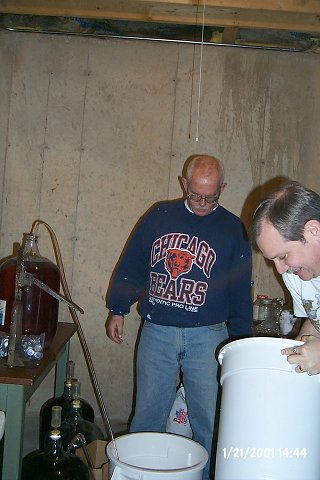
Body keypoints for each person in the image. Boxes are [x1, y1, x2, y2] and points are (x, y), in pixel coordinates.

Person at [106, 154, 252, 480]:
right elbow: (132, 265)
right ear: (183, 183)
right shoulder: (159, 217)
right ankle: (140, 475)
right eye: (195, 194)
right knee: (146, 416)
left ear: (223, 188)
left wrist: (241, 342)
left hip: (209, 336)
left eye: (211, 197)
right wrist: (118, 308)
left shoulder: (232, 230)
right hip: (157, 331)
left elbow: (241, 290)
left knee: (209, 422)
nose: (201, 203)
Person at [251, 180, 320, 376]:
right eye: (273, 260)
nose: (280, 270)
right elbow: (315, 322)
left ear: (313, 231)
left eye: (283, 256)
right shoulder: (295, 275)